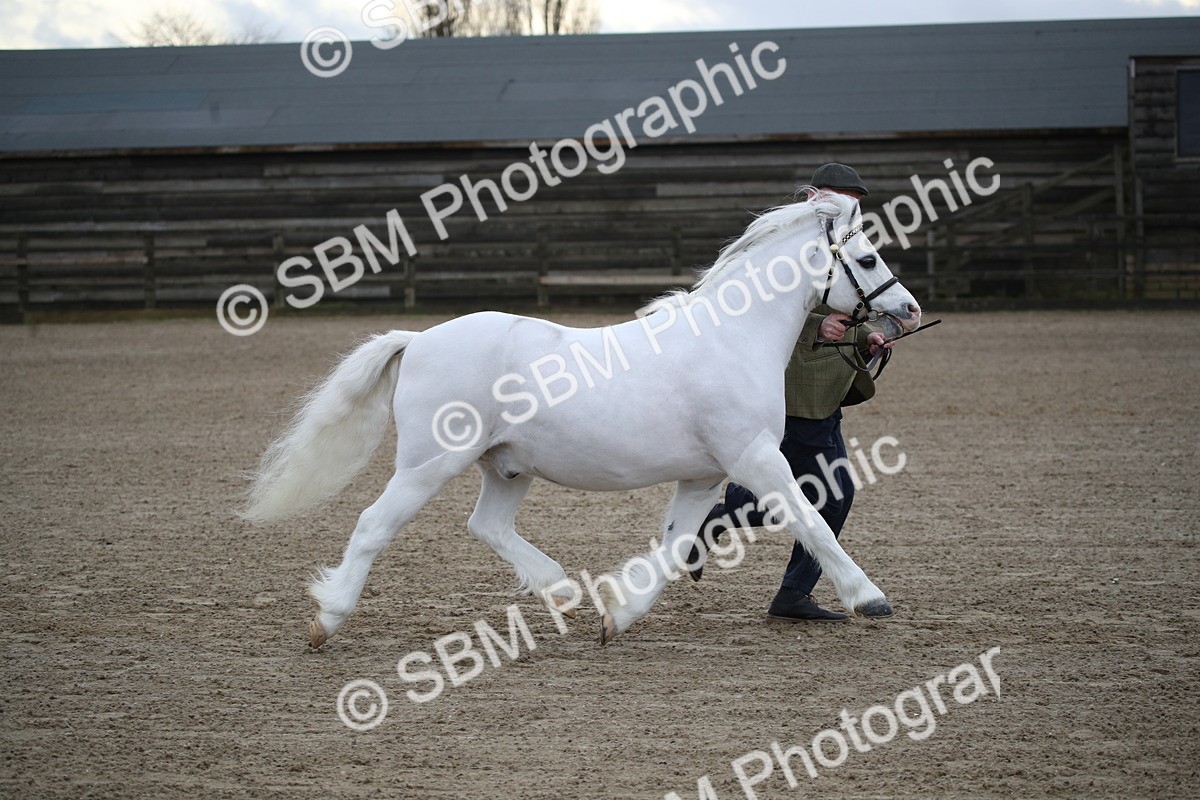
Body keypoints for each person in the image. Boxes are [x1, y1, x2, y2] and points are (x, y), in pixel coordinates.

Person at [687, 163, 896, 623]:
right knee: (831, 493)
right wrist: (822, 327)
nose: (851, 211)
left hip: (823, 390)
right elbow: (767, 314)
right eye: (842, 200)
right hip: (797, 391)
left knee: (815, 491)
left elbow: (844, 302)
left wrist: (864, 336)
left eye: (855, 204)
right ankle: (785, 586)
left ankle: (732, 529)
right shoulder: (790, 249)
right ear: (817, 198)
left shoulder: (836, 243)